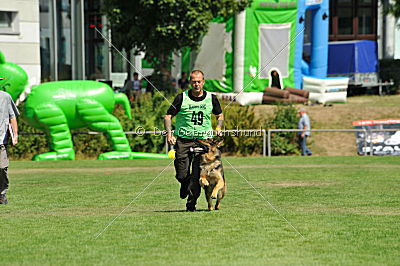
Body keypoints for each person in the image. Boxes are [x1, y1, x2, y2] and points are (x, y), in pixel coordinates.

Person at [164, 70, 224, 212]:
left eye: (199, 81)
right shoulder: (181, 98)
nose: (196, 84)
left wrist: (218, 127)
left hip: (203, 142)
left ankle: (191, 204)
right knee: (181, 174)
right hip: (183, 141)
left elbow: (219, 115)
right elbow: (168, 116)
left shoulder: (211, 98)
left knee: (198, 177)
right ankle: (184, 184)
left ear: (203, 82)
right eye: (194, 82)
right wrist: (169, 134)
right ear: (190, 83)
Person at [0, 89, 19, 205]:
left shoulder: (5, 97)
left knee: (2, 168)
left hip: (1, 139)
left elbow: (12, 117)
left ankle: (1, 194)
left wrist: (15, 135)